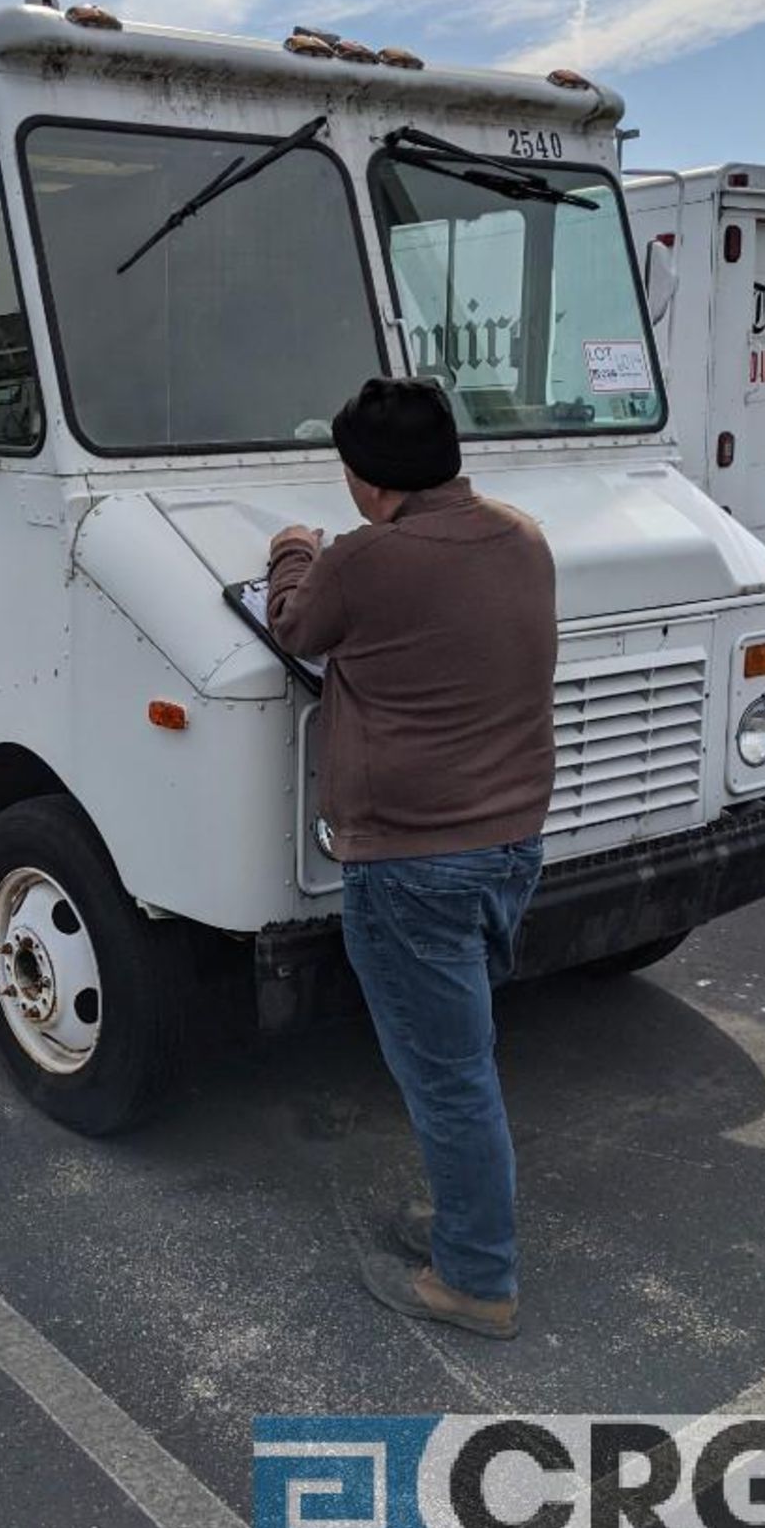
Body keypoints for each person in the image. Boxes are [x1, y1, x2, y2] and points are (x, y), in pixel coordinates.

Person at [266, 377, 557, 1340]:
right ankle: (465, 1222)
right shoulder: (521, 536)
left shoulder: (364, 557)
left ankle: (474, 1280)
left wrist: (291, 550)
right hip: (512, 844)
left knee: (448, 1075)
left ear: (367, 482)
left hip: (412, 863)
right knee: (464, 1058)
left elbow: (296, 628)